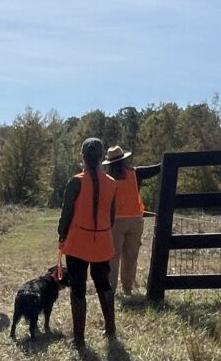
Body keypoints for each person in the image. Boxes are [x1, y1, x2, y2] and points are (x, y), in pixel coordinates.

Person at [58, 138, 117, 348]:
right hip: (102, 240)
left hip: (77, 242)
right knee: (104, 284)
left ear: (82, 157)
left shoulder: (75, 181)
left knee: (78, 287)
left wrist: (61, 234)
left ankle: (79, 339)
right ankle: (110, 329)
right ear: (102, 157)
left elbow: (66, 213)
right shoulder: (111, 183)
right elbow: (111, 218)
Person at [103, 145, 161, 296]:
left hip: (116, 221)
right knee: (130, 257)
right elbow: (157, 168)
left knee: (113, 257)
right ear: (124, 160)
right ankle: (127, 289)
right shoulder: (136, 173)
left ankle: (111, 290)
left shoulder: (107, 178)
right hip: (135, 220)